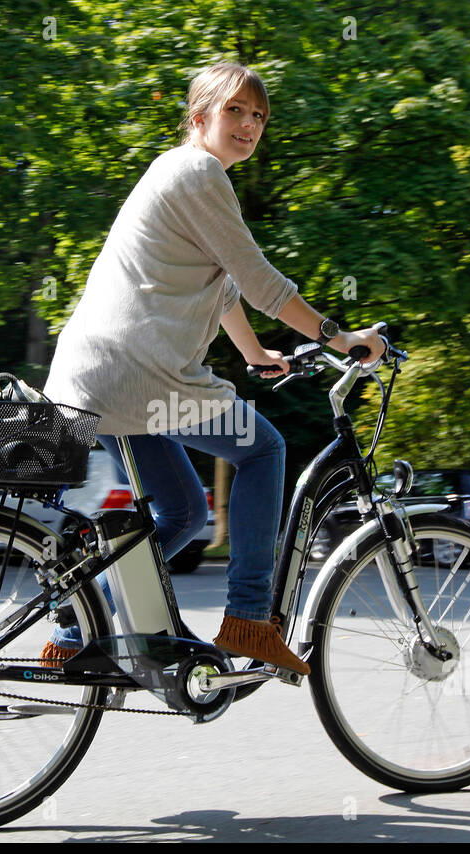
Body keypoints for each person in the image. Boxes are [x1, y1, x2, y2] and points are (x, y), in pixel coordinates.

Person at [41, 61, 385, 674]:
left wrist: (256, 355)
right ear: (199, 118)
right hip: (140, 376)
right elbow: (258, 282)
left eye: (259, 116)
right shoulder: (199, 171)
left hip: (100, 375)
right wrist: (339, 336)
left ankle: (75, 622)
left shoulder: (176, 174)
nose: (250, 124)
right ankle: (249, 620)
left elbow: (222, 287)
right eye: (235, 111)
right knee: (263, 451)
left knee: (183, 512)